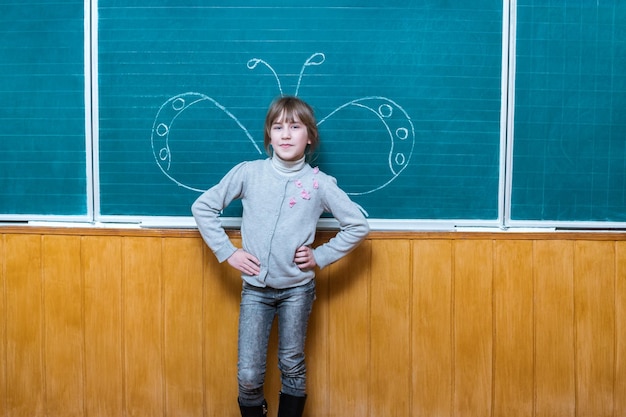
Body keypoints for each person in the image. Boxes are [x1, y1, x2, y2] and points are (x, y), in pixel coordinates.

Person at [192, 96, 369, 417]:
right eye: (278, 127)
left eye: (295, 127)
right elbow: (202, 207)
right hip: (255, 291)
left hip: (297, 290)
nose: (286, 135)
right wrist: (227, 253)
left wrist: (321, 255)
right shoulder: (249, 173)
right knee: (248, 374)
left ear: (310, 136)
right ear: (269, 136)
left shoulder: (319, 184)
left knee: (292, 364)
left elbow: (357, 225)